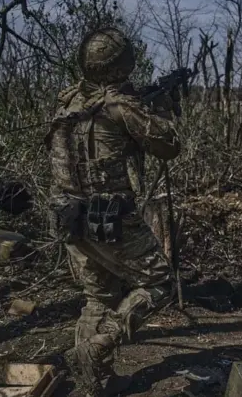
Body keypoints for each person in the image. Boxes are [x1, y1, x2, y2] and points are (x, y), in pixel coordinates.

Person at [44, 26, 181, 396]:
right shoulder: (120, 106)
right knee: (158, 284)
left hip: (68, 214)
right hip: (110, 217)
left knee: (98, 295)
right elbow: (168, 146)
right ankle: (98, 347)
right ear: (122, 65)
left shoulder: (67, 100)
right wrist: (165, 108)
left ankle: (94, 382)